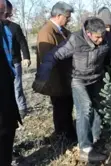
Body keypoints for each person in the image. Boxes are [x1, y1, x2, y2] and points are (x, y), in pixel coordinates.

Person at [34, 17, 111, 162]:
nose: (101, 40)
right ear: (89, 33)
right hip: (78, 79)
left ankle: (95, 138)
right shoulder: (75, 40)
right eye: (97, 37)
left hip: (96, 78)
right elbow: (53, 55)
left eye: (103, 36)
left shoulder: (107, 37)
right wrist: (42, 76)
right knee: (85, 109)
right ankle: (85, 148)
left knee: (98, 108)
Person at [34, 1, 76, 140]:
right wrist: (54, 84)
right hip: (57, 80)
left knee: (67, 108)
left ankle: (69, 134)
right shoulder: (46, 32)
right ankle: (62, 136)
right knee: (60, 110)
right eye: (67, 17)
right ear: (59, 15)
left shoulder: (63, 31)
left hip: (66, 78)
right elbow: (47, 60)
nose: (69, 20)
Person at [0, 0, 21, 165]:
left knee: (8, 131)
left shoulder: (5, 29)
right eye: (2, 13)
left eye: (6, 13)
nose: (6, 17)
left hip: (6, 94)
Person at [4, 0, 30, 119]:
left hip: (15, 62)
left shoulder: (14, 27)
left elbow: (22, 43)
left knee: (17, 86)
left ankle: (21, 108)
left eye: (8, 13)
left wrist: (26, 57)